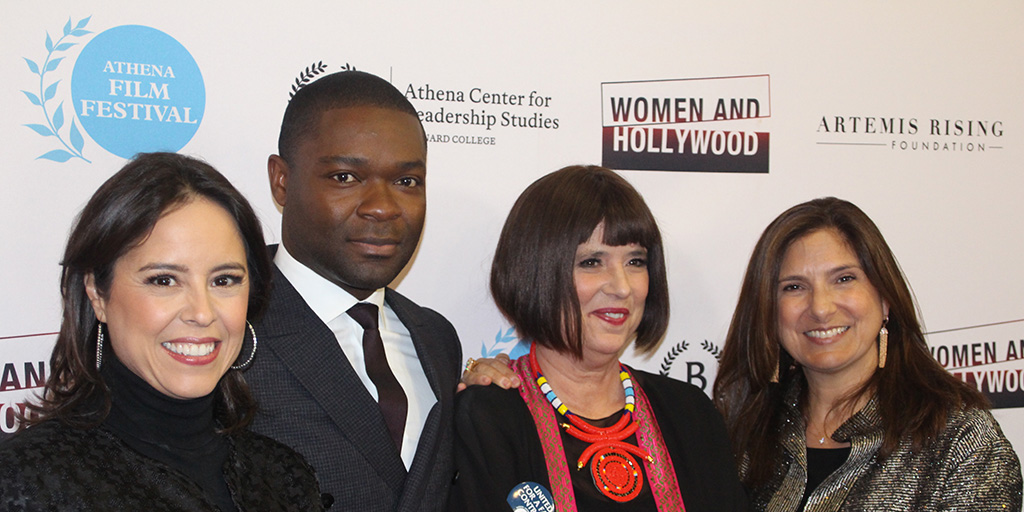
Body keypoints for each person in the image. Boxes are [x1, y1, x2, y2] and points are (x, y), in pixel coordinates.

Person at [0, 152, 323, 511]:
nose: (202, 312)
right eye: (164, 280)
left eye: (224, 280)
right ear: (97, 294)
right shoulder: (26, 481)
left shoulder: (282, 475)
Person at [450, 165, 749, 511]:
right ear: (535, 272)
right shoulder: (490, 417)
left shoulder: (690, 413)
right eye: (592, 262)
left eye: (636, 261)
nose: (622, 287)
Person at [713, 197, 1022, 511]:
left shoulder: (958, 439)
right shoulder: (743, 432)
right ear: (768, 310)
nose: (820, 308)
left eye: (844, 279)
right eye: (794, 287)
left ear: (885, 298)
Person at [244, 70, 462, 511]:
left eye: (407, 182)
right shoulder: (226, 324)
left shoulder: (437, 338)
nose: (383, 206)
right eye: (345, 177)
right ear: (281, 181)